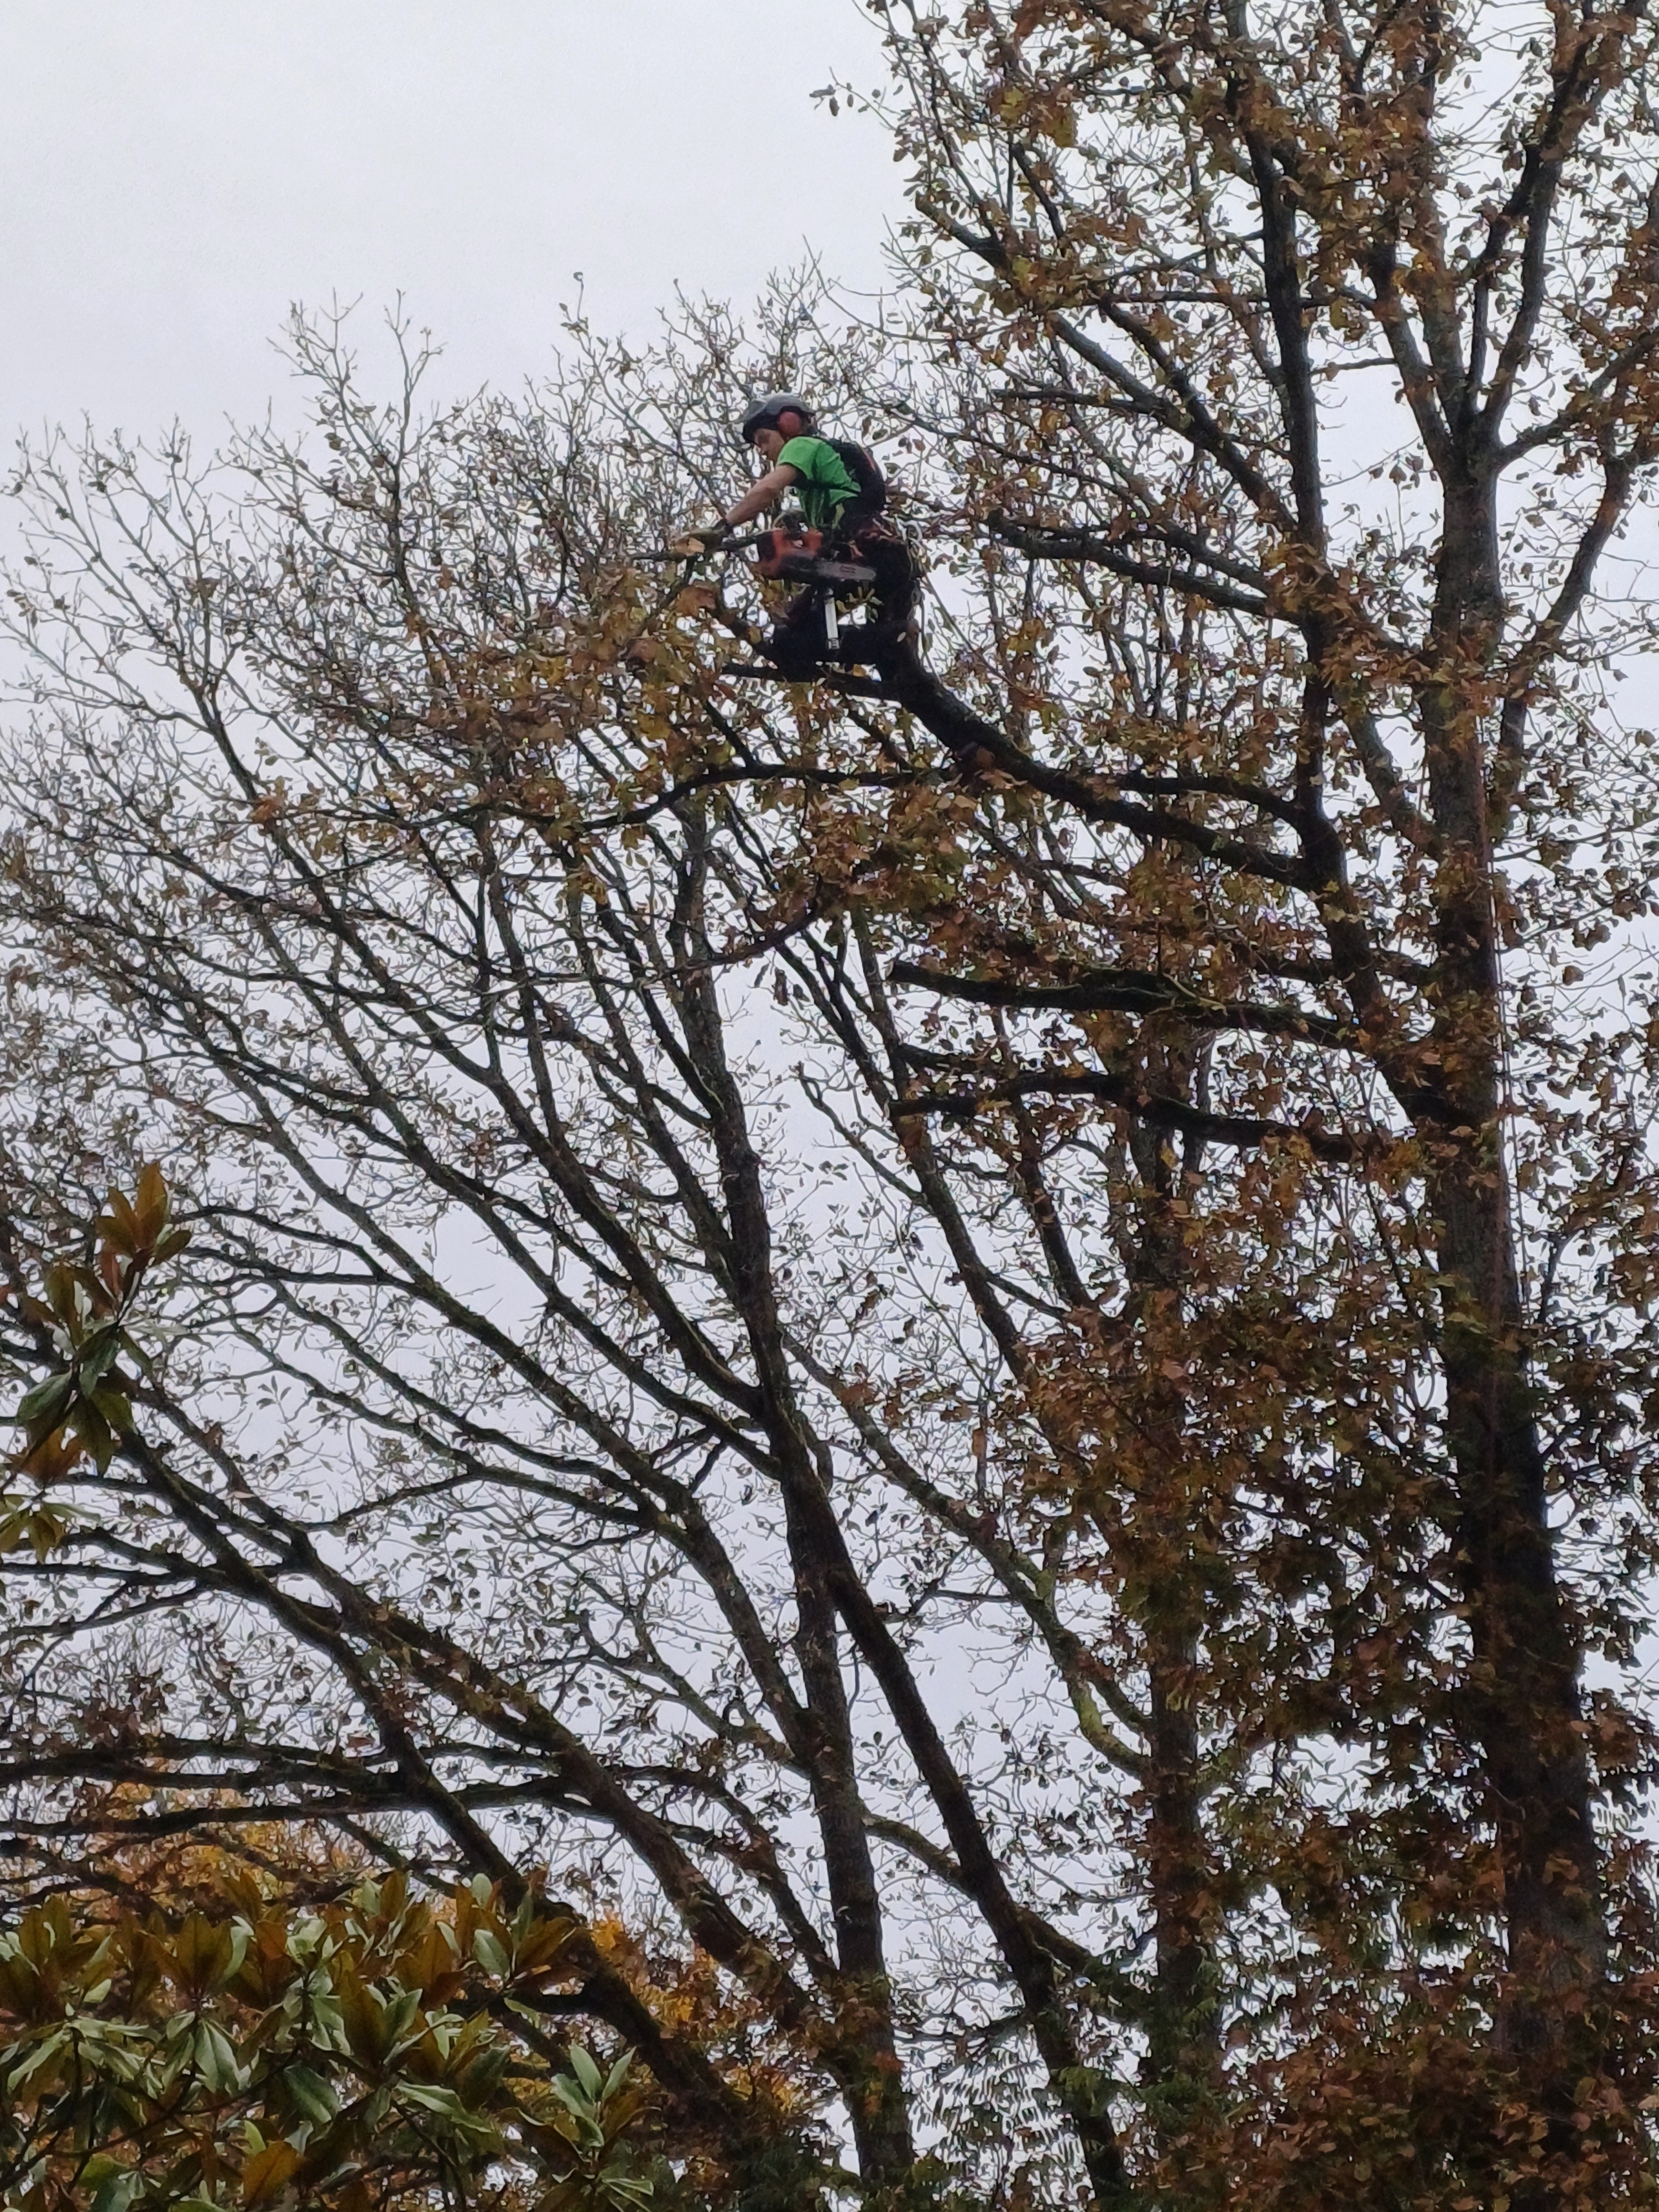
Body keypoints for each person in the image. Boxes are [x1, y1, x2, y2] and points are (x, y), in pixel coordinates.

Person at [691, 393, 917, 677]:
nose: (763, 451)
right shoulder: (825, 463)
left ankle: (888, 645)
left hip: (864, 552)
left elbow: (767, 490)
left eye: (764, 439)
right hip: (882, 558)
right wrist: (798, 518)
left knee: (791, 633)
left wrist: (723, 527)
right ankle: (889, 649)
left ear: (787, 424)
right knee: (794, 641)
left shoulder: (801, 445)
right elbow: (846, 498)